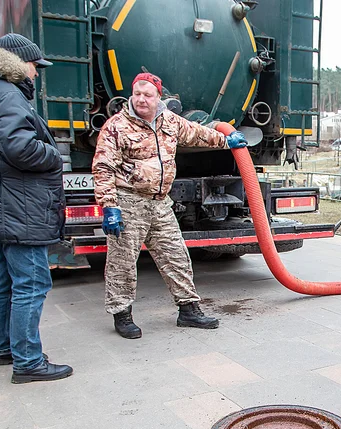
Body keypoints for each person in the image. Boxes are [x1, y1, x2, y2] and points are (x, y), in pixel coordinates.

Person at [92, 72, 248, 339]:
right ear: (132, 95)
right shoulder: (116, 126)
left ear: (158, 98)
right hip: (129, 201)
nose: (141, 100)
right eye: (137, 94)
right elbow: (103, 168)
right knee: (123, 262)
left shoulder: (170, 121)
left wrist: (226, 141)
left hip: (160, 203)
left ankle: (188, 310)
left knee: (176, 256)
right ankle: (122, 315)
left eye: (147, 95)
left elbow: (198, 134)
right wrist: (109, 206)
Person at [0, 33, 73, 384]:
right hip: (18, 206)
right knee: (32, 282)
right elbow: (20, 148)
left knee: (6, 280)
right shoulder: (8, 94)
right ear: (15, 62)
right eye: (34, 65)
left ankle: (5, 349)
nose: (37, 73)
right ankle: (27, 361)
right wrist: (53, 155)